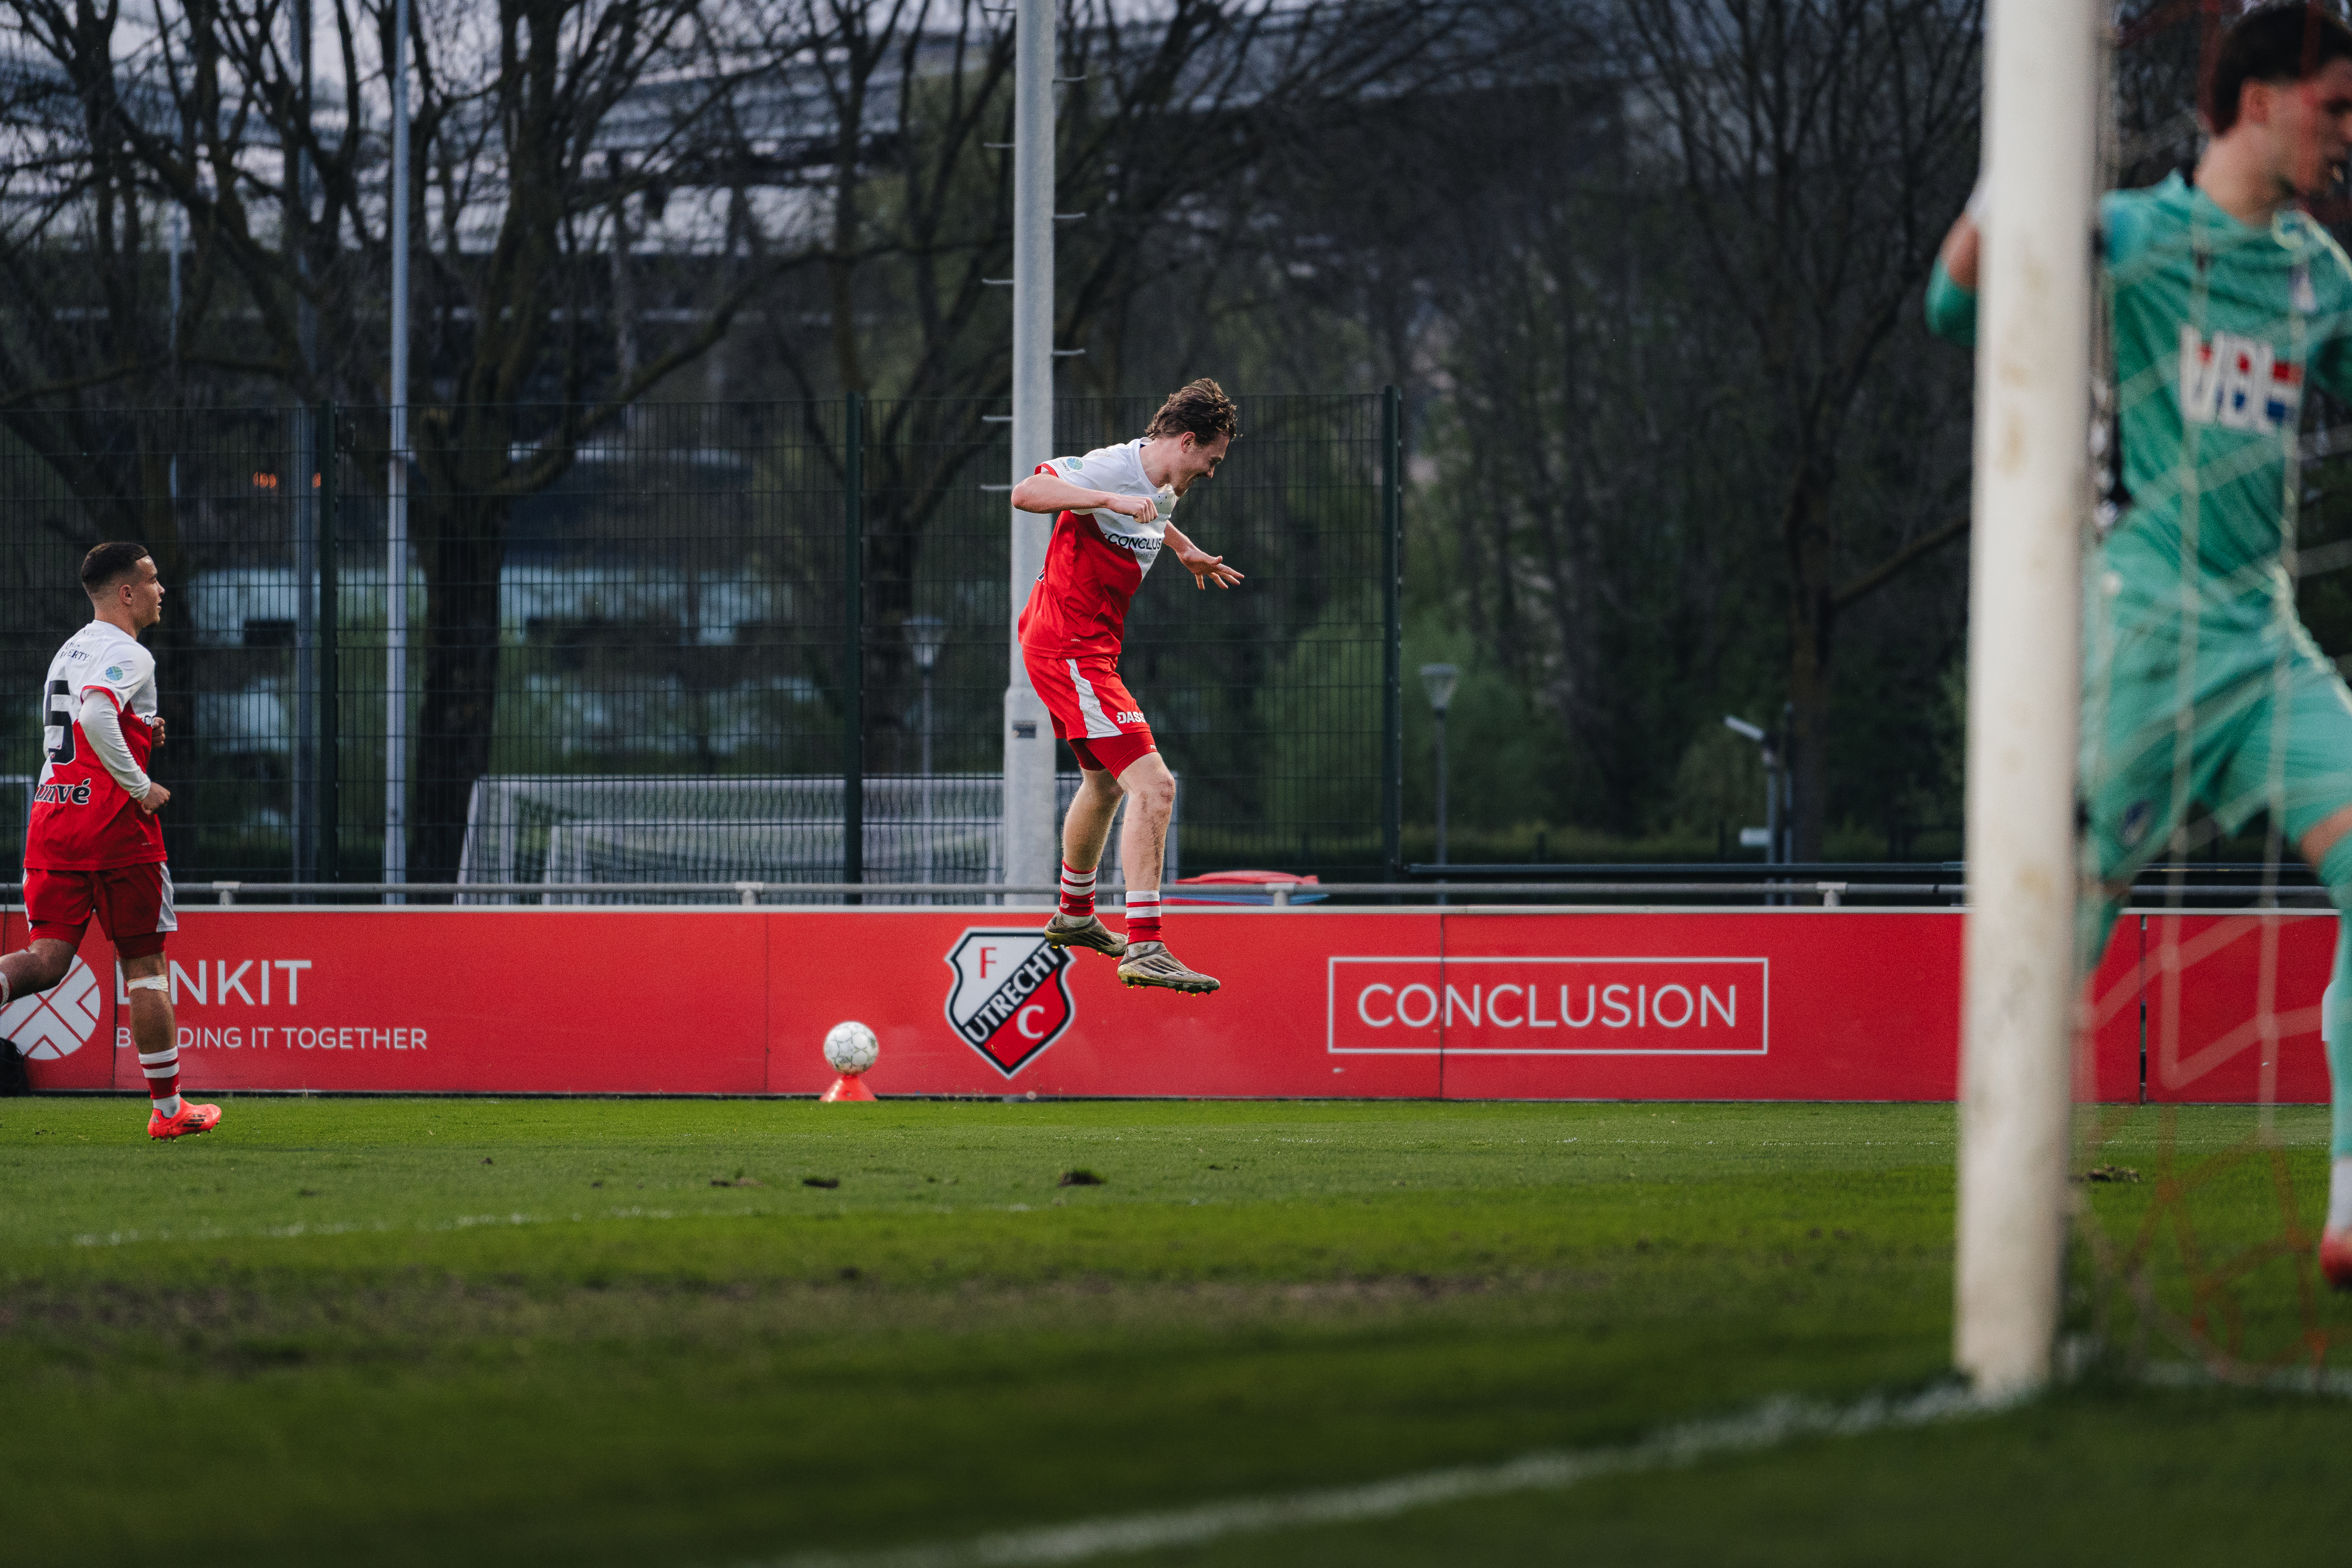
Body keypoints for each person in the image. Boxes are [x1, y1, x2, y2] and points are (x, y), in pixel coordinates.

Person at [1930, 2, 2352, 1285]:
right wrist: (2023, 152)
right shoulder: (2131, 240)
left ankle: (2349, 1209)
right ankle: (2010, 1218)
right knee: (2055, 926)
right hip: (2141, 649)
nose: (2347, 137)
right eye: (2336, 107)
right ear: (2264, 98)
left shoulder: (2318, 278)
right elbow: (1957, 309)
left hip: (2264, 641)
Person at [1011, 379, 1245, 994]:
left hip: (1081, 649)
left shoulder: (1159, 486)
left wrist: (1186, 549)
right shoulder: (1113, 468)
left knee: (1105, 785)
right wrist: (1104, 500)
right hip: (1070, 648)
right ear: (1188, 441)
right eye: (1212, 460)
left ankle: (1077, 914)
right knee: (1157, 788)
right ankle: (1145, 945)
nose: (1213, 473)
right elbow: (1028, 492)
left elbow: (1150, 514)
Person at [0, 543, 219, 1140]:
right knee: (145, 967)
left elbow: (92, 717)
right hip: (115, 831)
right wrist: (141, 784)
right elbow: (97, 715)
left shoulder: (70, 649)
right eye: (151, 580)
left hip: (52, 821)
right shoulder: (131, 655)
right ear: (126, 593)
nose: (161, 590)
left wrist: (145, 728)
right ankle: (170, 1111)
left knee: (45, 962)